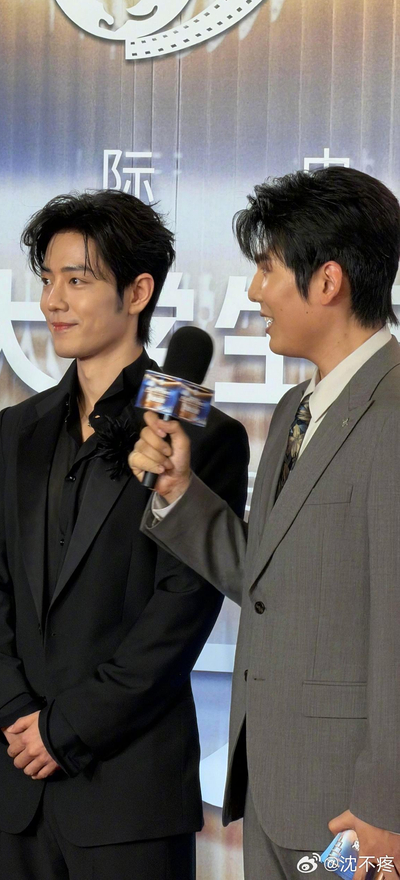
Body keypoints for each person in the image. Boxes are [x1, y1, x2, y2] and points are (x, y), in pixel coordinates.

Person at [0, 189, 250, 880]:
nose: (52, 301)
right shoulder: (20, 427)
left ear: (137, 292)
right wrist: (15, 715)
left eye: (77, 280)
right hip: (23, 784)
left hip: (130, 793)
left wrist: (64, 730)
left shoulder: (200, 434)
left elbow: (178, 618)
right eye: (47, 279)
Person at [130, 167, 400, 879]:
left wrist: (387, 806)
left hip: (357, 811)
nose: (254, 291)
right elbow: (265, 578)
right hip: (274, 788)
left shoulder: (395, 415)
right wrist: (179, 489)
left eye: (268, 268)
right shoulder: (294, 410)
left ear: (328, 281)